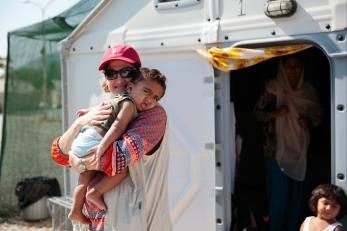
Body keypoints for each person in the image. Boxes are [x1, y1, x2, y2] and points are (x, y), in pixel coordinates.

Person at [51, 44, 172, 230]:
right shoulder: (105, 109)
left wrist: (78, 160)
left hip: (131, 220)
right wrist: (78, 124)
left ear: (137, 76)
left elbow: (119, 157)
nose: (119, 79)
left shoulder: (153, 114)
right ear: (106, 80)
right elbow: (60, 154)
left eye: (126, 71)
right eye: (111, 73)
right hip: (94, 220)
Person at [68, 66, 166, 224]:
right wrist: (102, 147)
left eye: (156, 98)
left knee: (84, 175)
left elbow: (105, 107)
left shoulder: (122, 101)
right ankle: (94, 193)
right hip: (94, 141)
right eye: (146, 91)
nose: (150, 100)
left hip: (81, 142)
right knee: (120, 171)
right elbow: (118, 127)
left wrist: (87, 112)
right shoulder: (129, 105)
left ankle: (75, 210)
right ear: (131, 87)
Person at [254, 53, 322, 231]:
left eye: (297, 66)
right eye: (289, 66)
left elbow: (319, 116)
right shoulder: (273, 88)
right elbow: (256, 114)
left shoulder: (308, 90)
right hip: (276, 153)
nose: (293, 70)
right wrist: (275, 114)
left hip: (301, 153)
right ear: (282, 68)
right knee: (278, 200)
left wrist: (309, 121)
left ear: (302, 68)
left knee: (297, 200)